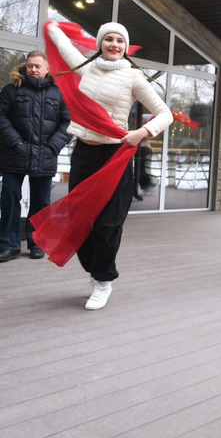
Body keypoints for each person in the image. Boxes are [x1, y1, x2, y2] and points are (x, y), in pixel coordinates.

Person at [46, 22, 173, 310]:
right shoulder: (87, 69)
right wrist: (52, 28)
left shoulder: (134, 78)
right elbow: (65, 50)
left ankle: (104, 281)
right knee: (80, 220)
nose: (114, 45)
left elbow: (165, 114)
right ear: (100, 43)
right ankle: (95, 272)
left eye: (119, 41)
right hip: (83, 155)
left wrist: (141, 133)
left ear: (125, 47)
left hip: (114, 156)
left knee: (108, 223)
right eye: (108, 39)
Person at [0, 52, 71, 262]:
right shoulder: (11, 91)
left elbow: (68, 123)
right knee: (10, 199)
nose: (33, 70)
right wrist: (16, 142)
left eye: (38, 66)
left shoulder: (59, 94)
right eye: (30, 66)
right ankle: (8, 245)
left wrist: (53, 146)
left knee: (41, 203)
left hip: (45, 155)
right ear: (25, 67)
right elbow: (1, 117)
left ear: (47, 69)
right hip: (14, 155)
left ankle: (37, 244)